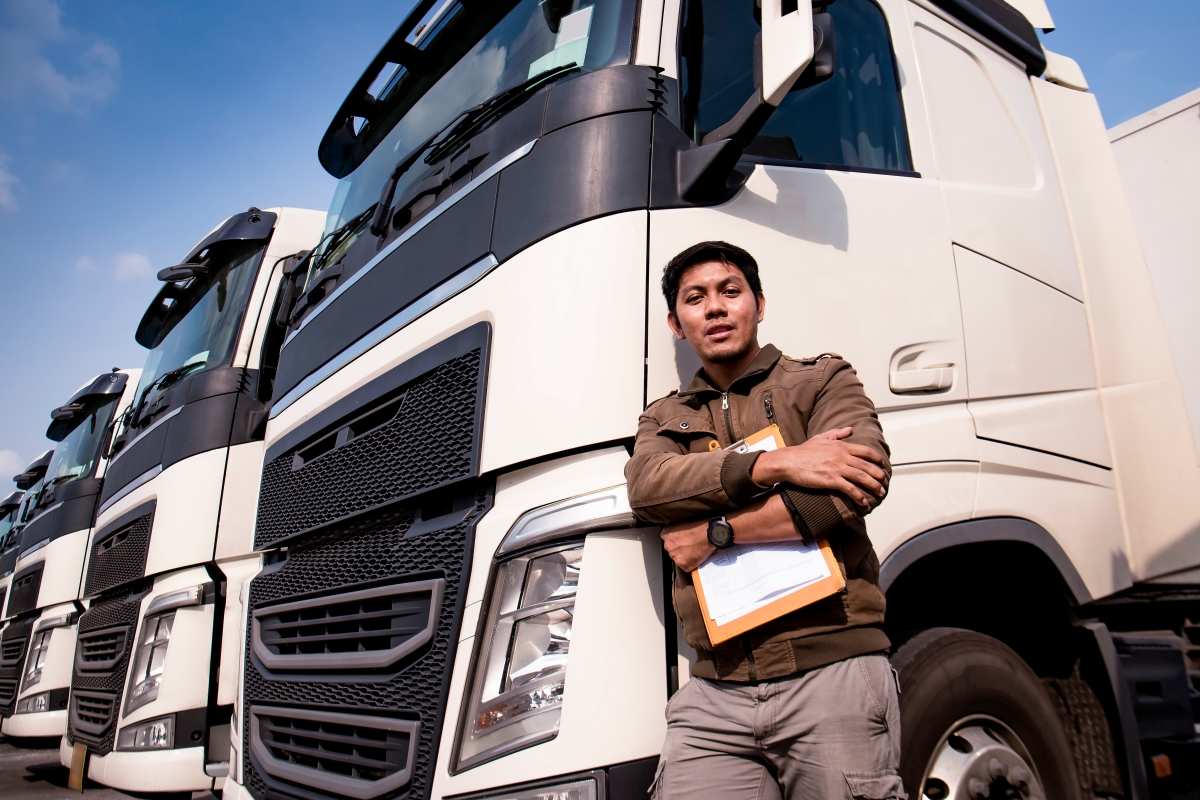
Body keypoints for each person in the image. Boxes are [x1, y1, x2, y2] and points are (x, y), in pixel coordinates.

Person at [625, 241, 904, 800]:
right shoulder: (665, 417)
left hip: (833, 669)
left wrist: (712, 532)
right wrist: (777, 463)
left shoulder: (821, 380)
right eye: (695, 298)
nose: (716, 308)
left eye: (731, 292)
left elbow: (854, 487)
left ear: (759, 303)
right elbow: (649, 490)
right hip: (714, 693)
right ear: (677, 325)